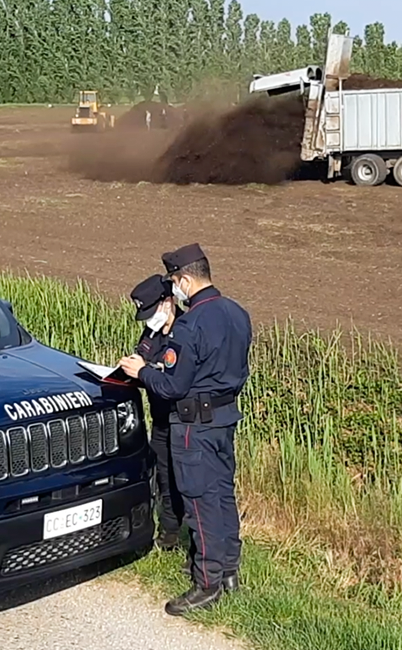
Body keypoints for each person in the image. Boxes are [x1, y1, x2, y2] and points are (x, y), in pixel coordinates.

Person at [119, 243, 252, 617]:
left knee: (198, 502)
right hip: (225, 419)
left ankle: (205, 583)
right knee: (223, 495)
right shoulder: (237, 313)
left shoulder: (192, 324)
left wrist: (141, 372)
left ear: (185, 280)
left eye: (175, 282)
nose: (174, 289)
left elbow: (171, 387)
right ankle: (229, 570)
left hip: (193, 425)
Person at [129, 274, 184, 552]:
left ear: (169, 302)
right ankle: (168, 534)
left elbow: (174, 379)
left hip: (182, 420)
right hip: (160, 420)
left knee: (183, 479)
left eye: (154, 311)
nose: (151, 319)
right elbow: (142, 359)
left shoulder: (185, 332)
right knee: (163, 476)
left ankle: (193, 542)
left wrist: (145, 371)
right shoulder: (151, 333)